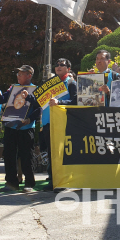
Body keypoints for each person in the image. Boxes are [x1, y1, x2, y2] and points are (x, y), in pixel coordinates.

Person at [0, 65, 41, 193]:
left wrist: (30, 119)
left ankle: (29, 183)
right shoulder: (13, 88)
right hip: (11, 125)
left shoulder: (35, 89)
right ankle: (11, 182)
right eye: (18, 74)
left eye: (21, 74)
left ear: (29, 75)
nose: (18, 76)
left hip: (26, 127)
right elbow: (2, 100)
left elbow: (39, 107)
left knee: (27, 155)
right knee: (9, 155)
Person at [44, 59, 77, 192]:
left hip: (63, 123)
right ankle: (52, 180)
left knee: (63, 153)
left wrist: (60, 102)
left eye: (62, 65)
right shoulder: (50, 84)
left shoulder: (71, 82)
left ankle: (63, 181)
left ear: (68, 69)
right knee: (51, 153)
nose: (58, 67)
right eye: (56, 65)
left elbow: (75, 101)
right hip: (48, 122)